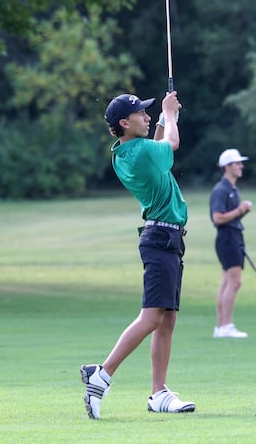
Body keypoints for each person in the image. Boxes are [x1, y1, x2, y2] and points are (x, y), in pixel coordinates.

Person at [80, 91, 195, 420]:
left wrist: (160, 118)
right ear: (124, 123)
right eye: (141, 114)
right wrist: (169, 114)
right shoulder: (143, 151)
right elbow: (170, 144)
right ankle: (101, 375)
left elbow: (158, 146)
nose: (146, 117)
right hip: (160, 237)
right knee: (151, 318)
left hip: (167, 237)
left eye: (148, 113)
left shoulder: (126, 152)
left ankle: (159, 392)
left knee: (167, 318)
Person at [209, 148, 253, 338]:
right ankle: (226, 325)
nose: (241, 166)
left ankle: (221, 327)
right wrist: (240, 210)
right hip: (227, 237)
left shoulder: (232, 188)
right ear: (227, 167)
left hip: (233, 236)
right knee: (235, 282)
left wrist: (241, 212)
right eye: (237, 163)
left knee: (227, 281)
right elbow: (217, 217)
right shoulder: (221, 190)